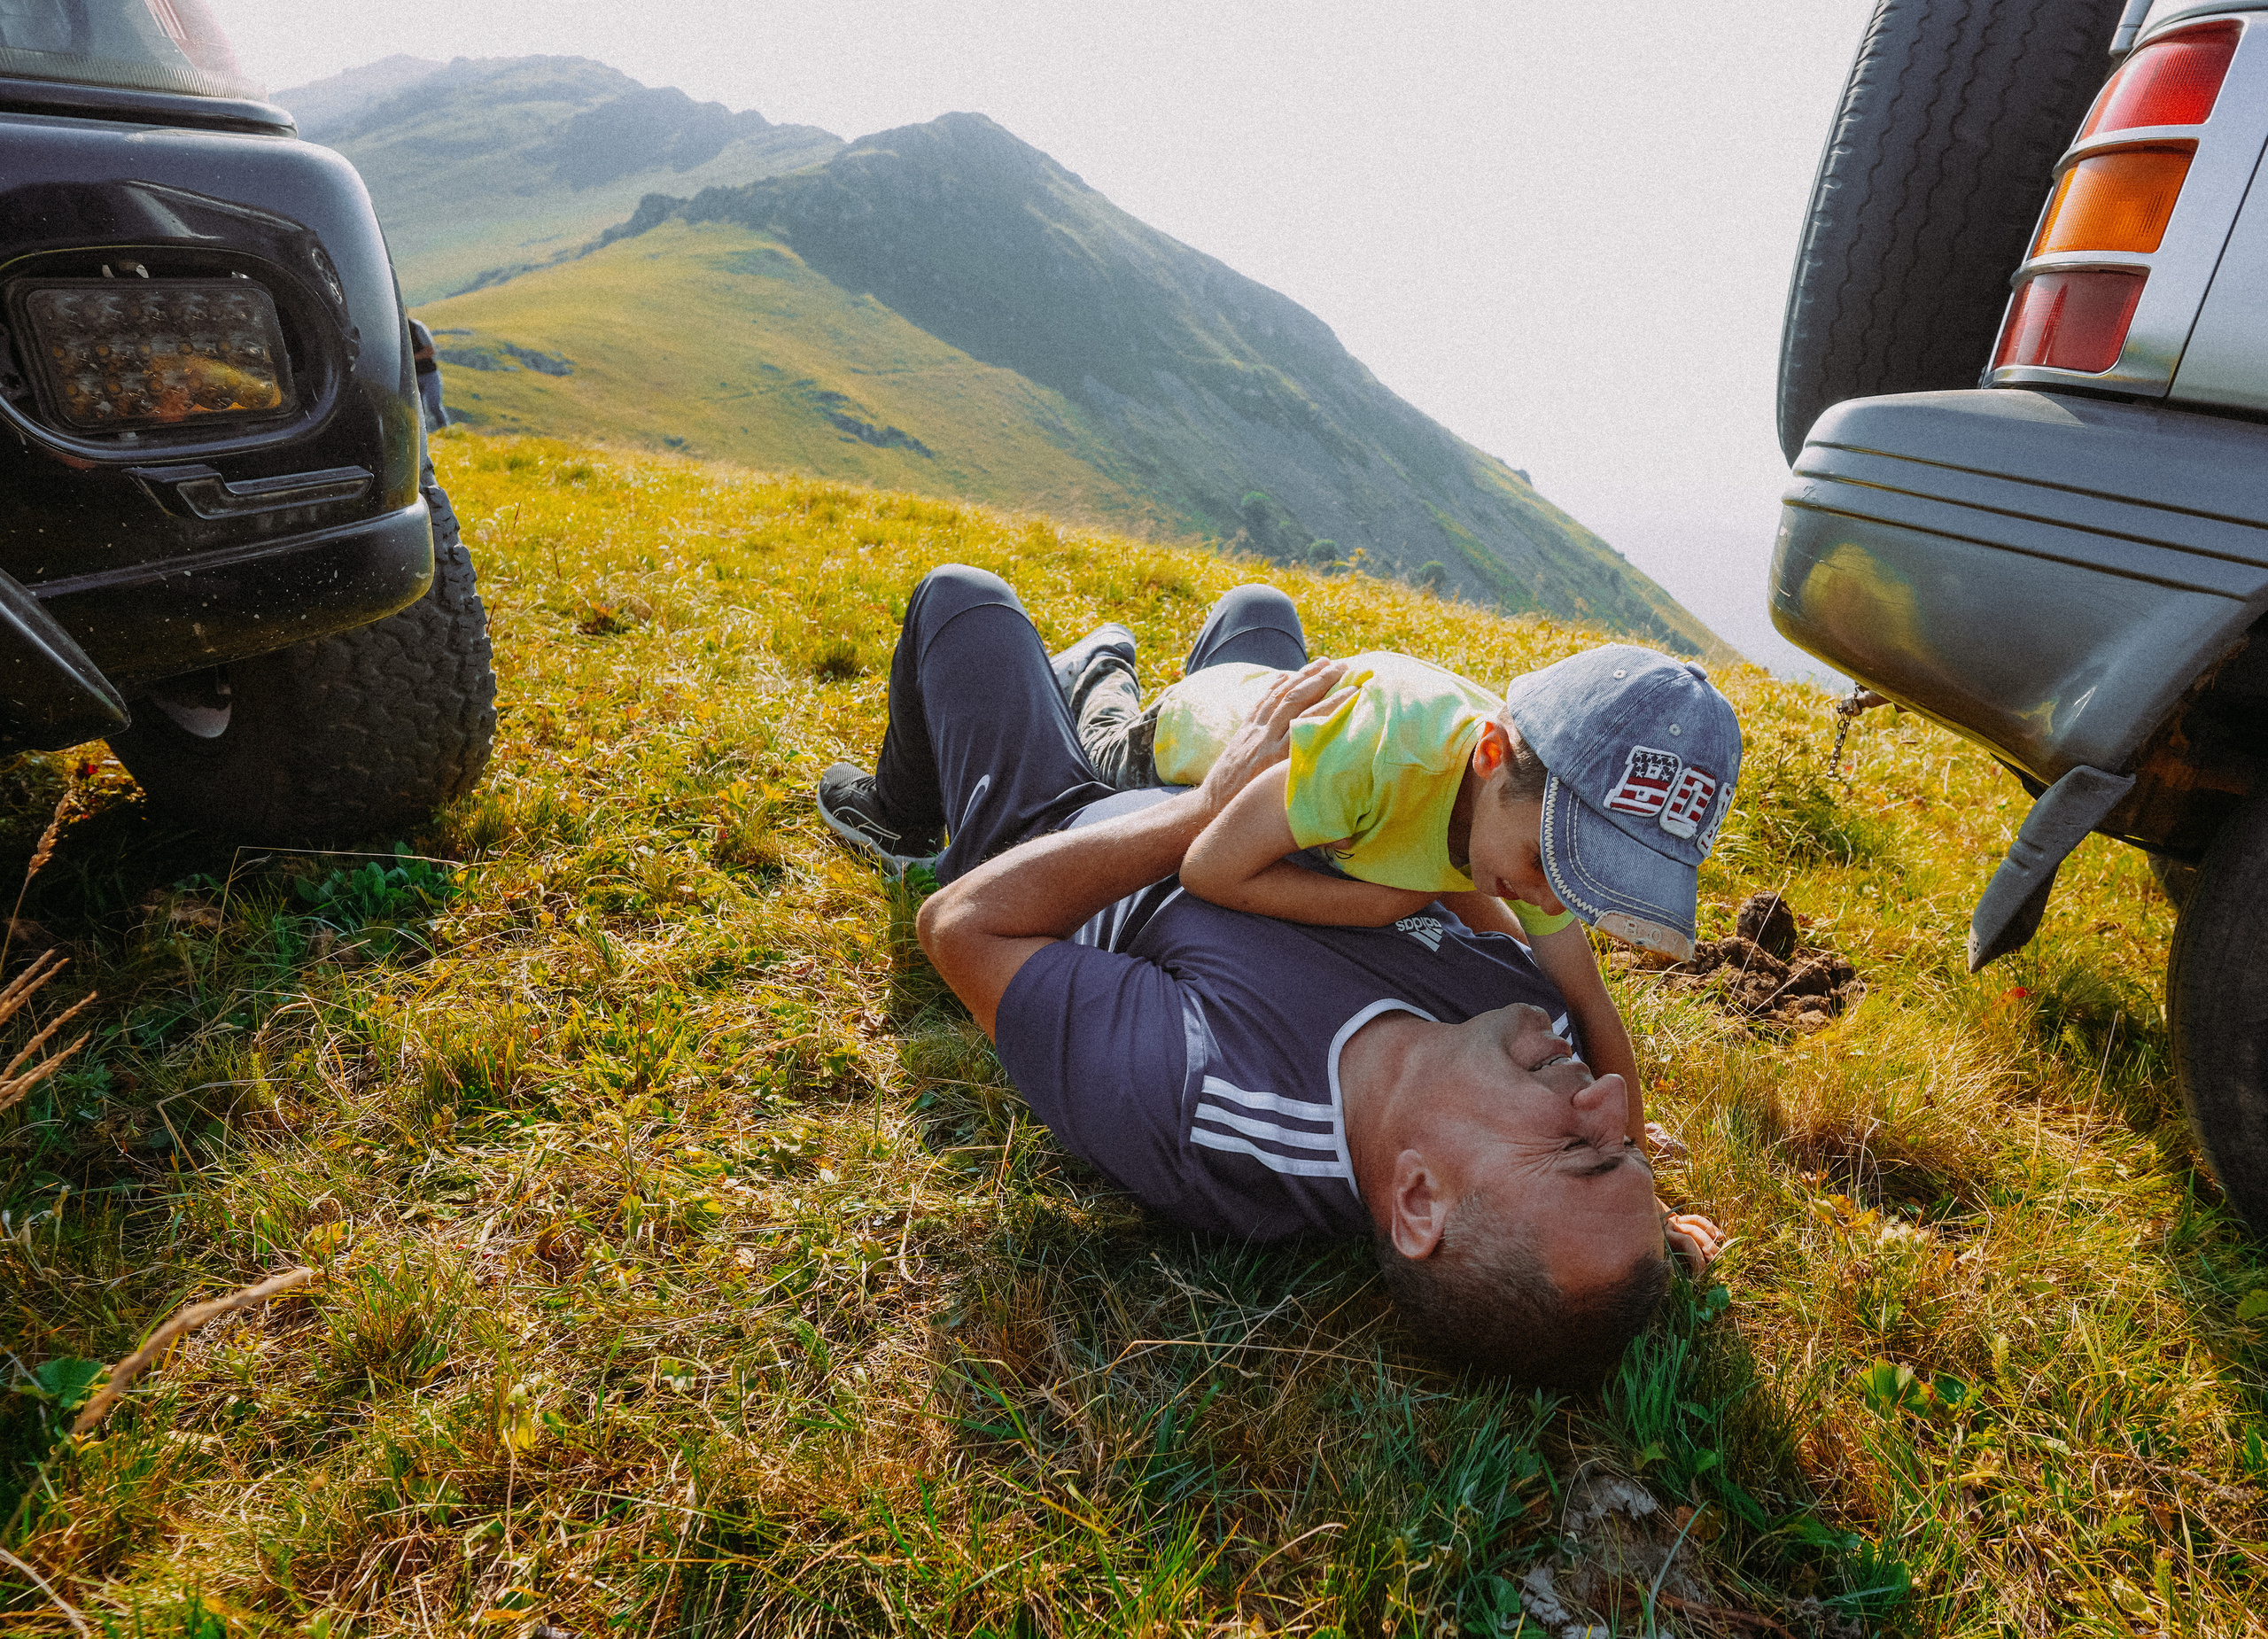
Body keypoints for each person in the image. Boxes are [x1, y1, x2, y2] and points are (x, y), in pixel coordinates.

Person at [816, 567, 1724, 1387]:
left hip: (1077, 827)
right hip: (1296, 814)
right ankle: (1109, 697)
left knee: (965, 600)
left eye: (1579, 1150)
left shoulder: (1208, 1098)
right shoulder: (1533, 1028)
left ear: (1419, 1197)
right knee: (1261, 613)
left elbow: (966, 925)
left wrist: (1210, 806)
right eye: (1627, 1147)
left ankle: (915, 805)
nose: (1609, 1099)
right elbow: (1462, 853)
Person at [408, 316, 447, 432]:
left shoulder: (416, 327)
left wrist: (411, 358)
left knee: (434, 406)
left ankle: (446, 431)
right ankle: (425, 435)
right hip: (413, 376)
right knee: (418, 411)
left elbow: (430, 350)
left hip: (429, 374)